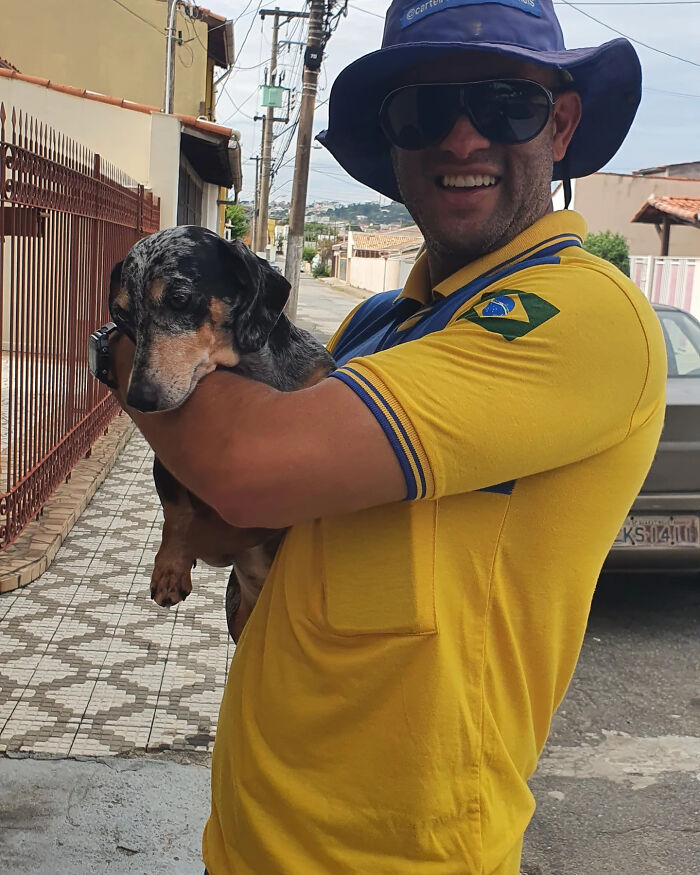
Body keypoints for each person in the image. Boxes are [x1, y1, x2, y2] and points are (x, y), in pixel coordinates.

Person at [108, 1, 666, 872]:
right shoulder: (371, 324)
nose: (461, 139)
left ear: (559, 124)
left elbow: (248, 469)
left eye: (504, 104)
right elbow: (225, 528)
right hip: (252, 833)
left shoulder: (584, 312)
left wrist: (118, 349)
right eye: (423, 110)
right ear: (393, 141)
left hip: (395, 855)